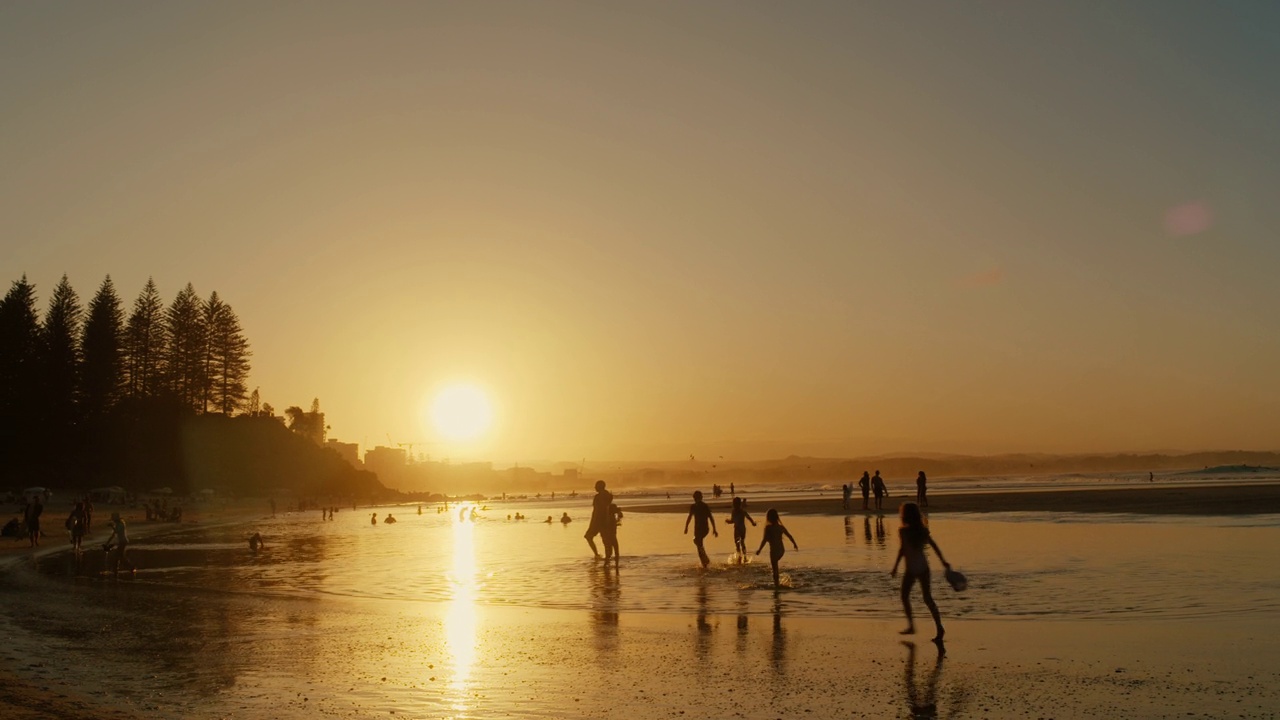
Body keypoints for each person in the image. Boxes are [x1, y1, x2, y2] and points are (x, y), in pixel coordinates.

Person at [890, 502, 950, 641]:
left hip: (911, 569)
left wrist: (895, 567)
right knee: (928, 599)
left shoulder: (903, 531)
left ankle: (912, 625)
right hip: (923, 567)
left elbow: (902, 550)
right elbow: (934, 546)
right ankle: (939, 628)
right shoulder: (922, 530)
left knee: (905, 596)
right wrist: (942, 561)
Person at [755, 509, 798, 588]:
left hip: (774, 551)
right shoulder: (780, 527)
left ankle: (776, 585)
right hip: (781, 550)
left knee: (775, 568)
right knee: (776, 566)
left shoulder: (768, 528)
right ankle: (777, 583)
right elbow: (789, 535)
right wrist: (794, 544)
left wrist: (759, 550)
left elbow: (764, 540)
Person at [683, 490, 717, 568]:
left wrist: (714, 529)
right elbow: (690, 517)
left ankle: (704, 562)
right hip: (697, 529)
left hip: (704, 528)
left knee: (698, 542)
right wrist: (686, 527)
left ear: (700, 498)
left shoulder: (704, 506)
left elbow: (710, 517)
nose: (696, 499)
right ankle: (705, 561)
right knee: (697, 543)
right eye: (695, 498)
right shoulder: (693, 506)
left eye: (697, 498)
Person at [585, 480, 613, 559]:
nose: (595, 488)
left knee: (588, 536)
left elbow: (596, 510)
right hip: (606, 519)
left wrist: (593, 522)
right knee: (605, 539)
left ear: (600, 487)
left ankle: (597, 554)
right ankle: (608, 555)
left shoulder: (598, 497)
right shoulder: (608, 495)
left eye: (596, 486)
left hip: (598, 520)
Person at [723, 496, 757, 561]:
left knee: (737, 544)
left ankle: (739, 557)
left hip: (737, 529)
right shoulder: (742, 511)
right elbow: (748, 517)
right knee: (742, 543)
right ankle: (744, 557)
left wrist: (727, 521)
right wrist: (753, 523)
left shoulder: (734, 512)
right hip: (743, 529)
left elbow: (733, 521)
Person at [104, 511, 133, 577]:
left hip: (123, 542)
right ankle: (117, 569)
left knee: (118, 556)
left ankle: (119, 569)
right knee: (119, 556)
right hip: (121, 542)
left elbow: (116, 532)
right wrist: (107, 543)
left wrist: (112, 527)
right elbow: (113, 535)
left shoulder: (121, 524)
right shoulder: (118, 524)